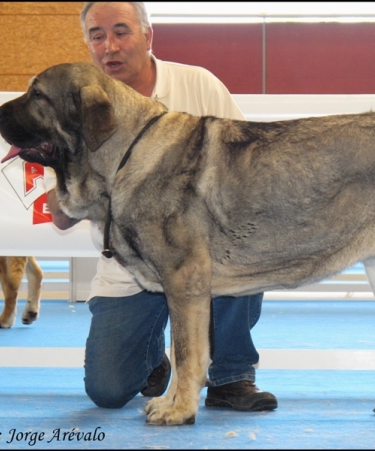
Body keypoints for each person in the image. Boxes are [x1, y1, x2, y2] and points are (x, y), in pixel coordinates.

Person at [46, 1, 277, 412]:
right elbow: (61, 218)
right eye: (97, 36)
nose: (109, 46)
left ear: (148, 36)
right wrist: (65, 159)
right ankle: (153, 358)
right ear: (88, 45)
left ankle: (230, 376)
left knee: (240, 243)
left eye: (121, 31)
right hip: (128, 268)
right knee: (108, 391)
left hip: (205, 253)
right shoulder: (74, 106)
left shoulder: (198, 84)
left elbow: (251, 163)